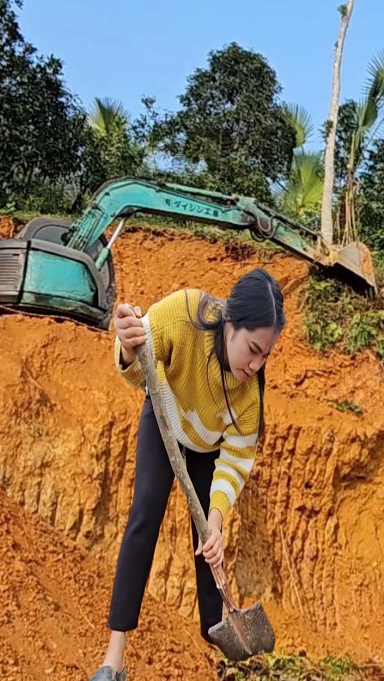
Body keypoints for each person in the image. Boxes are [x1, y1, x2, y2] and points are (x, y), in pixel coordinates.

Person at [89, 268, 285, 681]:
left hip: (208, 449)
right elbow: (138, 365)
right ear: (230, 321)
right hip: (165, 421)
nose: (256, 364)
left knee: (207, 546)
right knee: (144, 513)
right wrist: (127, 346)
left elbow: (235, 459)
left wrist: (215, 521)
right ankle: (113, 660)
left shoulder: (250, 394)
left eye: (265, 355)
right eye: (252, 349)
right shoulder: (183, 314)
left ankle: (218, 644)